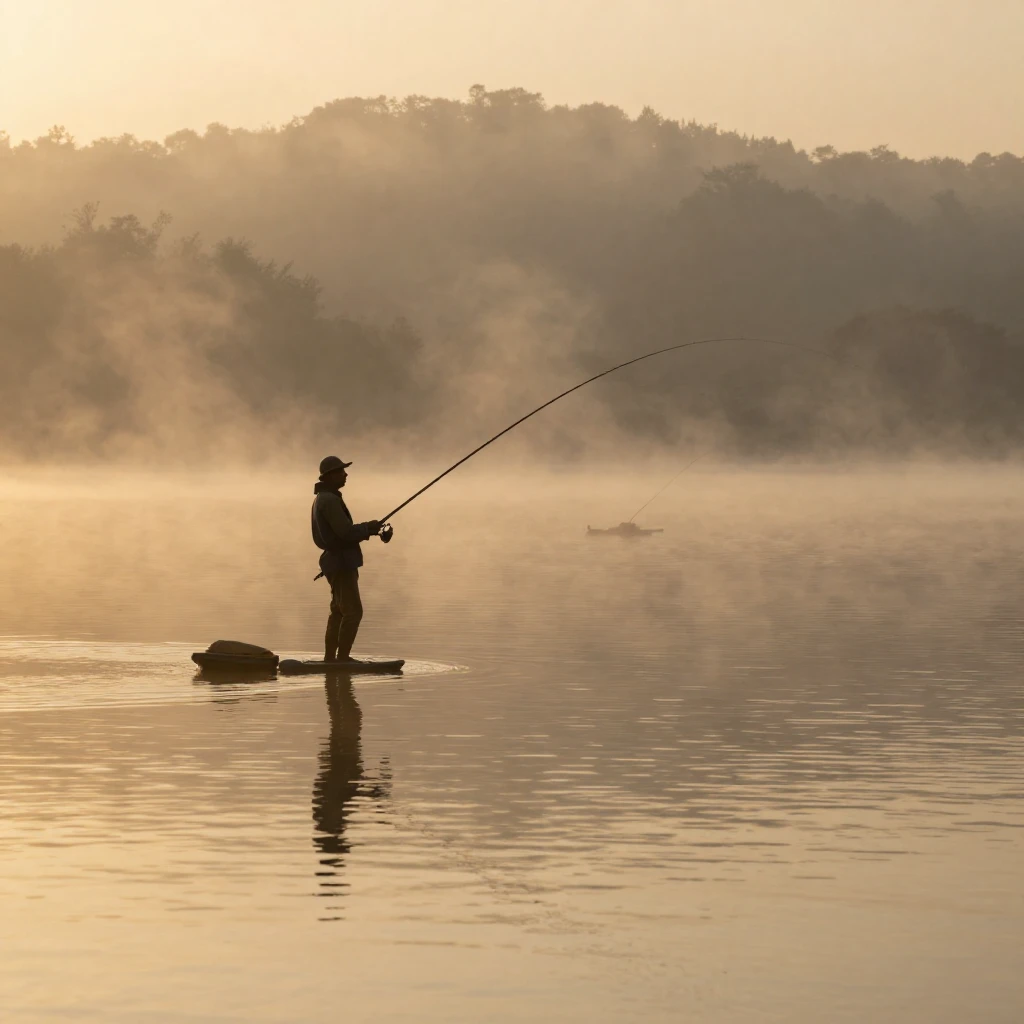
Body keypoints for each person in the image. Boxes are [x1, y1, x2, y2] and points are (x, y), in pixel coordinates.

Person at [311, 455, 383, 663]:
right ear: (330, 475)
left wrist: (369, 529)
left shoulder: (324, 498)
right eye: (341, 471)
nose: (345, 474)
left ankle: (330, 660)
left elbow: (343, 532)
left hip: (336, 561)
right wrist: (369, 528)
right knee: (353, 612)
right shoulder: (329, 500)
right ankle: (342, 660)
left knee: (338, 612)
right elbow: (345, 533)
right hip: (340, 562)